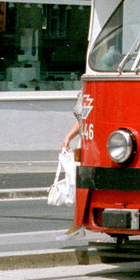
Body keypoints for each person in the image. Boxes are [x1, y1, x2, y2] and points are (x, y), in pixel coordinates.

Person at [55, 93, 85, 240]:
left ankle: (111, 231)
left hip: (104, 141)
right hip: (85, 141)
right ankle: (77, 226)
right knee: (79, 184)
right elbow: (82, 119)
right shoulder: (86, 87)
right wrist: (68, 137)